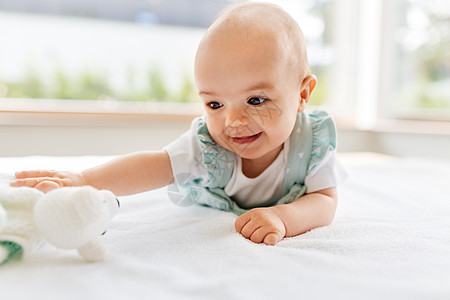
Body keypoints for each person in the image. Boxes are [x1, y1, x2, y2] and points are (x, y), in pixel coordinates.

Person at [10, 2, 346, 246]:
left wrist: (282, 218)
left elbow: (324, 202)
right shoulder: (208, 147)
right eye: (215, 103)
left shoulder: (312, 142)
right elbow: (157, 165)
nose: (232, 121)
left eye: (256, 100)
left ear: (302, 94)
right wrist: (85, 180)